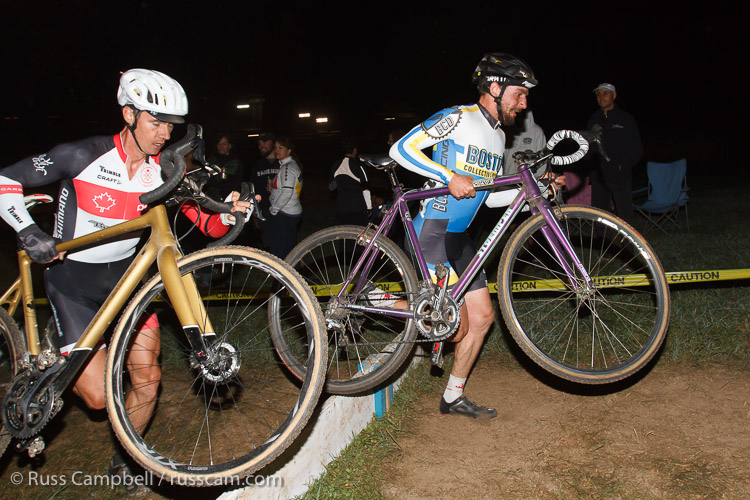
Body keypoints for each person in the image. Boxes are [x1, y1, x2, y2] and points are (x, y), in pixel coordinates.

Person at [0, 68, 250, 494]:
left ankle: (127, 461)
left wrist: (228, 213)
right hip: (74, 285)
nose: (164, 134)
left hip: (127, 285)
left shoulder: (163, 171)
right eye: (156, 122)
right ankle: (59, 346)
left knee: (148, 381)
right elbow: (6, 179)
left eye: (171, 126)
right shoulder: (82, 155)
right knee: (99, 398)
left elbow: (204, 223)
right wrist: (28, 230)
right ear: (129, 115)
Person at [390, 53, 543, 420]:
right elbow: (402, 149)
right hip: (432, 232)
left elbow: (486, 197)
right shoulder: (459, 117)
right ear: (495, 87)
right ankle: (375, 298)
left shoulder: (499, 136)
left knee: (483, 317)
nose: (524, 104)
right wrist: (448, 176)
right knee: (455, 328)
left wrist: (529, 194)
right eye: (519, 94)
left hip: (460, 238)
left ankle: (452, 397)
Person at [586, 83, 642, 223]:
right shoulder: (594, 119)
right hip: (599, 176)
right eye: (598, 94)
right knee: (600, 217)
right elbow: (588, 146)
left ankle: (625, 238)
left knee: (624, 216)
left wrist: (622, 165)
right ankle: (603, 237)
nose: (601, 97)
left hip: (619, 175)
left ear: (614, 96)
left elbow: (637, 149)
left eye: (605, 93)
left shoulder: (625, 119)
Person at [268, 135, 302, 258]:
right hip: (288, 212)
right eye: (275, 147)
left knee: (280, 252)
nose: (277, 150)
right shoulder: (286, 166)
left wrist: (274, 209)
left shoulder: (288, 167)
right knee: (290, 249)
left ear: (289, 150)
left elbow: (287, 192)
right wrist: (273, 189)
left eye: (281, 147)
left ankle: (285, 270)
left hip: (285, 214)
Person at [330, 140, 372, 226]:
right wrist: (369, 207)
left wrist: (341, 181)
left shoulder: (335, 165)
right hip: (358, 207)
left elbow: (331, 187)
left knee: (346, 232)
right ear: (355, 150)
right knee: (359, 232)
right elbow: (365, 188)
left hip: (342, 208)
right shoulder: (359, 166)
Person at [248, 132, 279, 249]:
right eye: (260, 143)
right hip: (263, 211)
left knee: (282, 243)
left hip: (281, 210)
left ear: (273, 143)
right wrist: (254, 215)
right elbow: (252, 191)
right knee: (267, 245)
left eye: (265, 142)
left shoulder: (282, 163)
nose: (262, 146)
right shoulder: (257, 166)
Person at [502, 109, 546, 174]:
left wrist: (535, 176)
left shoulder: (537, 132)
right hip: (509, 177)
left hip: (528, 177)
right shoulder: (507, 131)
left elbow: (542, 160)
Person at [204, 134, 245, 200]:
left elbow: (234, 182)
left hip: (228, 198)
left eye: (224, 144)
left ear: (229, 146)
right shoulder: (211, 161)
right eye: (219, 144)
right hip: (211, 198)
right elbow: (206, 179)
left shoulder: (235, 163)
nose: (221, 147)